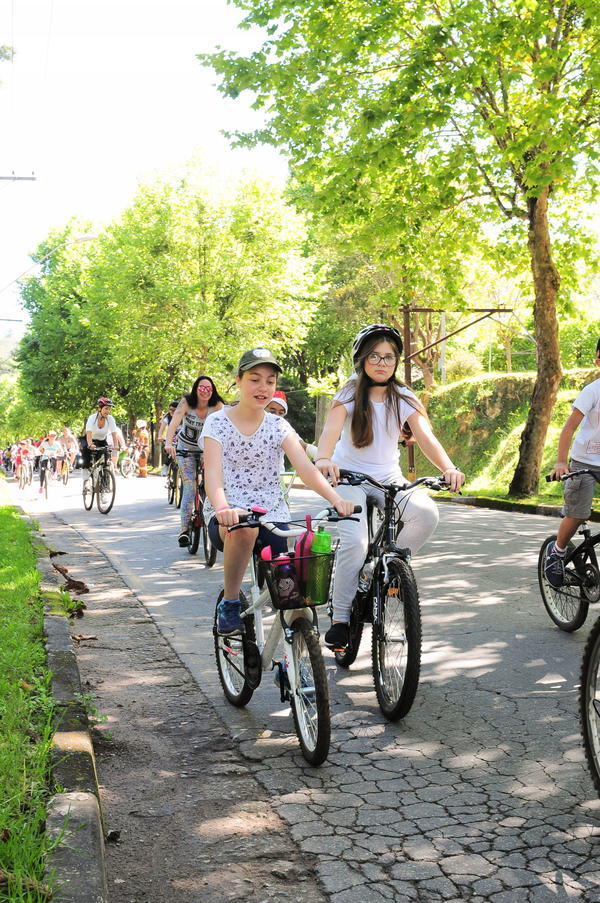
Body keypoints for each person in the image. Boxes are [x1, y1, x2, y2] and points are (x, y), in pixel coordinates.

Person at [314, 323, 465, 649]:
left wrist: (449, 468)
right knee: (355, 542)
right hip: (349, 478)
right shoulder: (349, 392)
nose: (382, 363)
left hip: (389, 479)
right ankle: (341, 618)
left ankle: (385, 571)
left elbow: (425, 437)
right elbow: (329, 432)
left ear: (396, 361)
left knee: (426, 514)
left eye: (389, 357)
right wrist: (324, 458)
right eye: (374, 356)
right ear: (361, 359)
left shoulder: (403, 396)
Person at [202, 347, 356, 636]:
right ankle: (230, 602)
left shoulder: (278, 425)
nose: (263, 387)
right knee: (245, 530)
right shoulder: (218, 422)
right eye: (254, 379)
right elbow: (212, 475)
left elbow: (307, 469)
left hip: (272, 515)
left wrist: (337, 499)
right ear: (238, 380)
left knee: (292, 591)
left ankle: (297, 647)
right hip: (228, 516)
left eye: (270, 381)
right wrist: (223, 508)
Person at [545, 338, 600, 588]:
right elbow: (568, 428)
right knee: (578, 512)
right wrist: (560, 462)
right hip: (584, 461)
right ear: (598, 361)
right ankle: (557, 553)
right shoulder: (592, 391)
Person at [165, 375, 226, 547]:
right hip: (185, 449)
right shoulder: (186, 403)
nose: (205, 391)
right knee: (190, 487)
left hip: (208, 450)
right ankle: (184, 530)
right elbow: (174, 423)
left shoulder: (217, 406)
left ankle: (216, 522)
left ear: (213, 391)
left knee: (214, 484)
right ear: (196, 389)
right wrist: (169, 443)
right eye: (201, 388)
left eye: (209, 388)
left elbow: (225, 428)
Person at [83, 398, 120, 478]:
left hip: (102, 440)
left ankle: (105, 477)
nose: (108, 411)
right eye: (106, 408)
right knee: (87, 458)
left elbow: (114, 433)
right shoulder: (92, 418)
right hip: (91, 440)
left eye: (109, 409)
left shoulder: (110, 419)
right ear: (100, 408)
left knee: (106, 458)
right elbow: (88, 432)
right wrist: (90, 444)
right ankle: (86, 477)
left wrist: (116, 445)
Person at [158, 401, 179, 476]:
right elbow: (161, 429)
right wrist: (160, 436)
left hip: (181, 438)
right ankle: (165, 466)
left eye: (174, 410)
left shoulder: (183, 417)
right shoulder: (167, 418)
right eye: (170, 409)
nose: (171, 411)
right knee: (170, 451)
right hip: (171, 438)